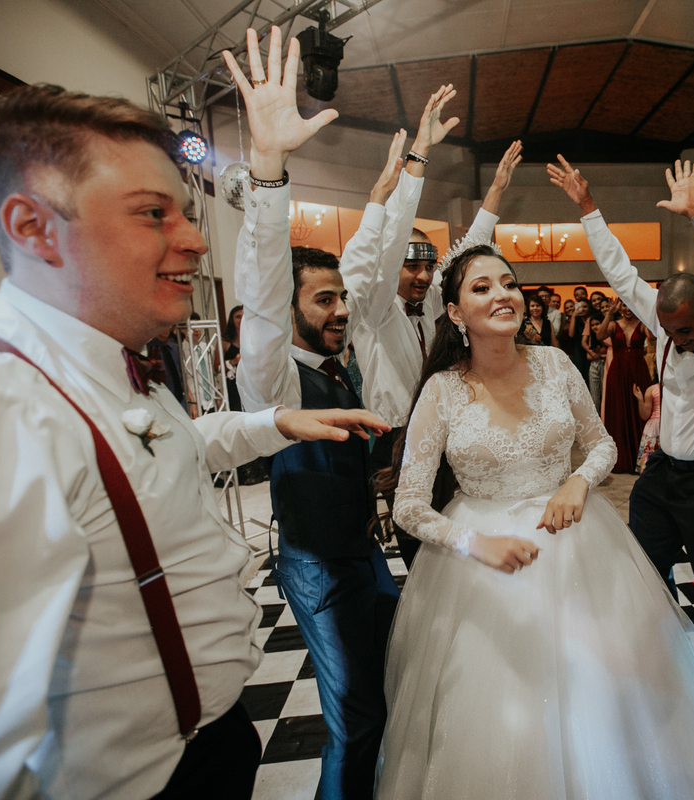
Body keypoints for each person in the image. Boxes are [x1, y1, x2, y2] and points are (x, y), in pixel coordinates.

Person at [0, 80, 385, 800]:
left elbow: (157, 452)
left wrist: (273, 423)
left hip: (205, 749)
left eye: (186, 213)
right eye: (152, 213)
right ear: (33, 227)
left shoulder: (105, 361)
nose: (195, 239)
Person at [374, 240, 694, 800]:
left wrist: (578, 481)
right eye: (482, 287)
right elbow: (409, 504)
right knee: (502, 710)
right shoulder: (442, 390)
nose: (502, 294)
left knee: (602, 695)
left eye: (508, 282)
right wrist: (471, 542)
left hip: (579, 547)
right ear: (455, 313)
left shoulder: (555, 365)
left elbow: (602, 444)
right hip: (481, 574)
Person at [224, 30, 402, 799]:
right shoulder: (275, 377)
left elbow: (362, 266)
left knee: (389, 695)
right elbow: (264, 302)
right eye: (323, 301)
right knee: (354, 719)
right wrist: (268, 170)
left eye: (341, 300)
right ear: (293, 309)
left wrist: (388, 194)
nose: (340, 311)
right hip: (317, 568)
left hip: (364, 554)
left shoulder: (343, 362)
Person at [548, 156, 694, 722]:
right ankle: (656, 676)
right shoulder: (667, 323)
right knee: (642, 578)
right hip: (662, 476)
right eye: (669, 330)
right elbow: (621, 274)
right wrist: (588, 208)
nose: (677, 339)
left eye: (686, 330)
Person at [340, 101, 521, 570]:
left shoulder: (438, 301)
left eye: (427, 267)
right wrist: (415, 162)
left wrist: (495, 193)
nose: (422, 276)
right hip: (393, 437)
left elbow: (469, 250)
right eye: (411, 267)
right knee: (417, 541)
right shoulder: (376, 310)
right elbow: (386, 255)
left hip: (445, 427)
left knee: (455, 526)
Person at [595, 298, 650, 473]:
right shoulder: (613, 324)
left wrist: (646, 313)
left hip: (638, 370)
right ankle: (621, 459)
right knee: (618, 410)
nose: (628, 309)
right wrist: (609, 314)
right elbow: (599, 336)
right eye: (625, 305)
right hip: (617, 371)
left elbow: (654, 337)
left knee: (638, 410)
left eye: (631, 305)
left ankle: (639, 459)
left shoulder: (642, 324)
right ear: (620, 306)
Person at [633, 380, 661, 473]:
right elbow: (645, 415)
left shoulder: (676, 388)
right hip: (654, 428)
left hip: (669, 425)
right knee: (649, 462)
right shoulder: (651, 389)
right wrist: (640, 400)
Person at [223, 303, 243, 411]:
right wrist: (232, 362)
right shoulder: (225, 342)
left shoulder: (254, 340)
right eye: (238, 317)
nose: (241, 320)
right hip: (233, 387)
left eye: (244, 316)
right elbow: (216, 368)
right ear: (232, 319)